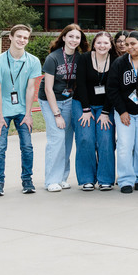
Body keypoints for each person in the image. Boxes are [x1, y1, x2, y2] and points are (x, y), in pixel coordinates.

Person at [0, 24, 41, 196]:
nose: (21, 40)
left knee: (27, 146)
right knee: (0, 148)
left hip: (22, 110)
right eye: (18, 36)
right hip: (2, 110)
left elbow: (30, 89)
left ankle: (27, 180)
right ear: (10, 37)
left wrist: (28, 114)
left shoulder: (33, 61)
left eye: (25, 38)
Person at [40, 23, 88, 192]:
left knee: (67, 139)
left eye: (77, 37)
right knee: (57, 139)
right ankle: (51, 180)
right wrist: (56, 114)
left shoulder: (80, 57)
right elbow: (47, 88)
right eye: (71, 36)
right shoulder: (53, 58)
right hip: (50, 100)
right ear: (63, 38)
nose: (74, 40)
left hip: (69, 100)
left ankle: (62, 177)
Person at [108, 31, 138, 193]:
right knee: (124, 146)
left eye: (133, 43)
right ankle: (125, 180)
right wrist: (121, 111)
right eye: (127, 44)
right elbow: (112, 89)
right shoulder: (119, 63)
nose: (129, 47)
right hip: (125, 112)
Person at [74, 31, 115, 191]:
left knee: (105, 138)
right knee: (85, 138)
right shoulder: (84, 58)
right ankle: (87, 178)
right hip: (83, 104)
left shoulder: (115, 61)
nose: (102, 46)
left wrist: (105, 112)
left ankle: (106, 179)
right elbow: (81, 84)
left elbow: (113, 89)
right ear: (94, 44)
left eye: (105, 43)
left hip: (105, 106)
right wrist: (85, 109)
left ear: (110, 45)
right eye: (99, 43)